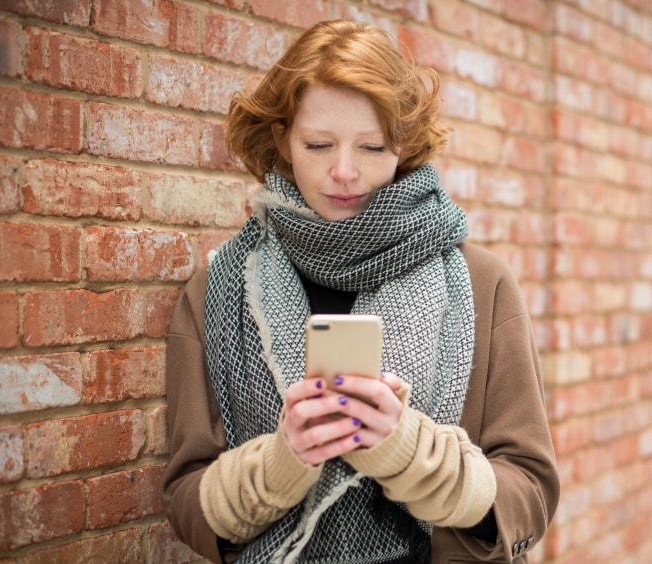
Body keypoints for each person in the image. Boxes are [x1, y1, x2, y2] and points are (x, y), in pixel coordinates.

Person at [161, 19, 559, 564]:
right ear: (282, 139)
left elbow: (531, 493)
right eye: (319, 144)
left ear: (403, 144)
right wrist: (283, 462)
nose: (344, 171)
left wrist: (409, 452)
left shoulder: (482, 284)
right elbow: (187, 505)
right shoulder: (217, 292)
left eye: (371, 146)